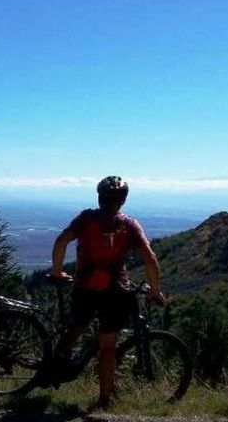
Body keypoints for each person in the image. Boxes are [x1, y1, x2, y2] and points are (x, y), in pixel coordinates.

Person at [50, 176, 166, 410]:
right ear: (122, 200)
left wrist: (57, 272)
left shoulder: (86, 219)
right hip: (115, 291)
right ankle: (104, 399)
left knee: (78, 325)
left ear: (99, 197)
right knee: (108, 346)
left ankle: (54, 366)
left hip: (84, 287)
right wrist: (155, 291)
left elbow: (62, 241)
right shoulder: (130, 225)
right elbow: (150, 259)